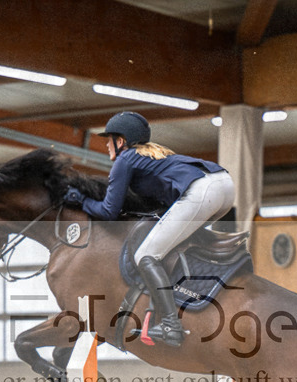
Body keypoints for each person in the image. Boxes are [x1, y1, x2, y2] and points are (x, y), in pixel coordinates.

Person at [63, 111, 235, 347]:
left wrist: (80, 200)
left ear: (120, 141)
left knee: (145, 255)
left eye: (109, 139)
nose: (106, 144)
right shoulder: (155, 153)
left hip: (203, 191)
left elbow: (108, 212)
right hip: (224, 185)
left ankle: (170, 325)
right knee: (170, 244)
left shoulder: (125, 159)